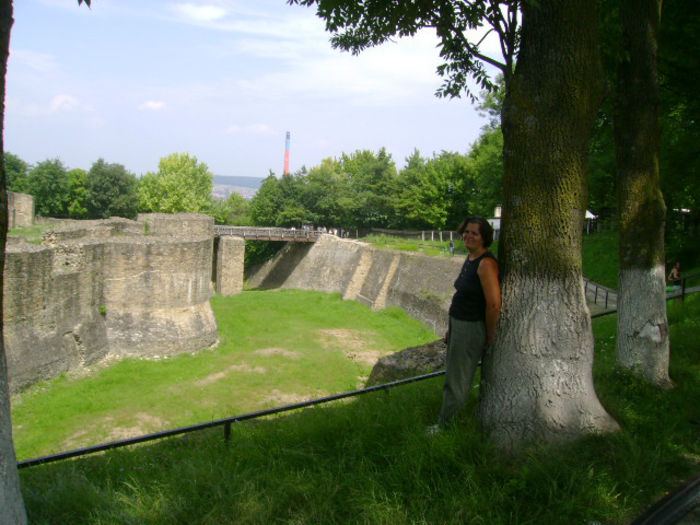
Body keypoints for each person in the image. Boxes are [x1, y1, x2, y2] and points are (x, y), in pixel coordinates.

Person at [429, 216, 501, 433]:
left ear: (484, 237)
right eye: (467, 231)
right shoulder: (471, 258)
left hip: (471, 328)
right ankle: (447, 422)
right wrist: (452, 330)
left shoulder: (486, 264)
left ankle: (446, 428)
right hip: (460, 325)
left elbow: (494, 304)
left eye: (475, 233)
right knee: (453, 376)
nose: (468, 236)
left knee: (457, 380)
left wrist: (489, 334)